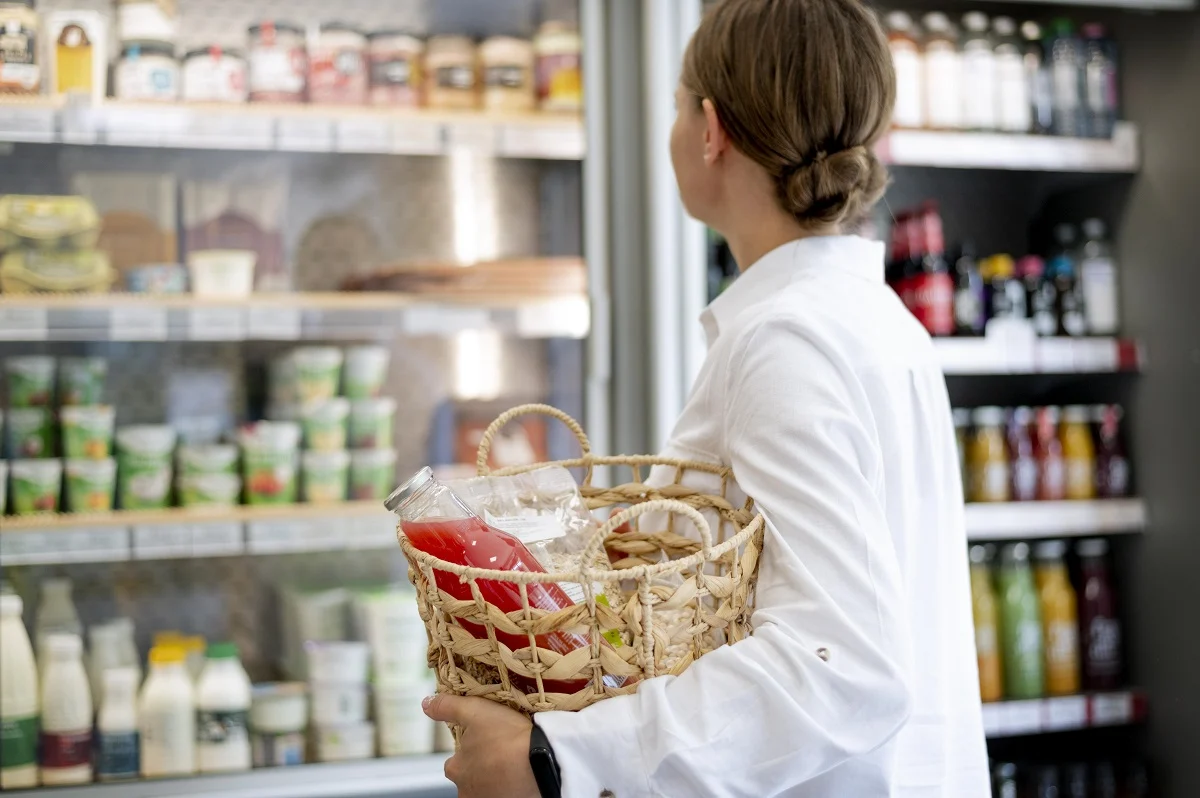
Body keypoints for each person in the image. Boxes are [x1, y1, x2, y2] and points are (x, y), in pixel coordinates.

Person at [421, 0, 990, 795]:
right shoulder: (873, 321)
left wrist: (559, 759)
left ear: (710, 128)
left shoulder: (785, 343)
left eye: (679, 106)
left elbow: (845, 667)